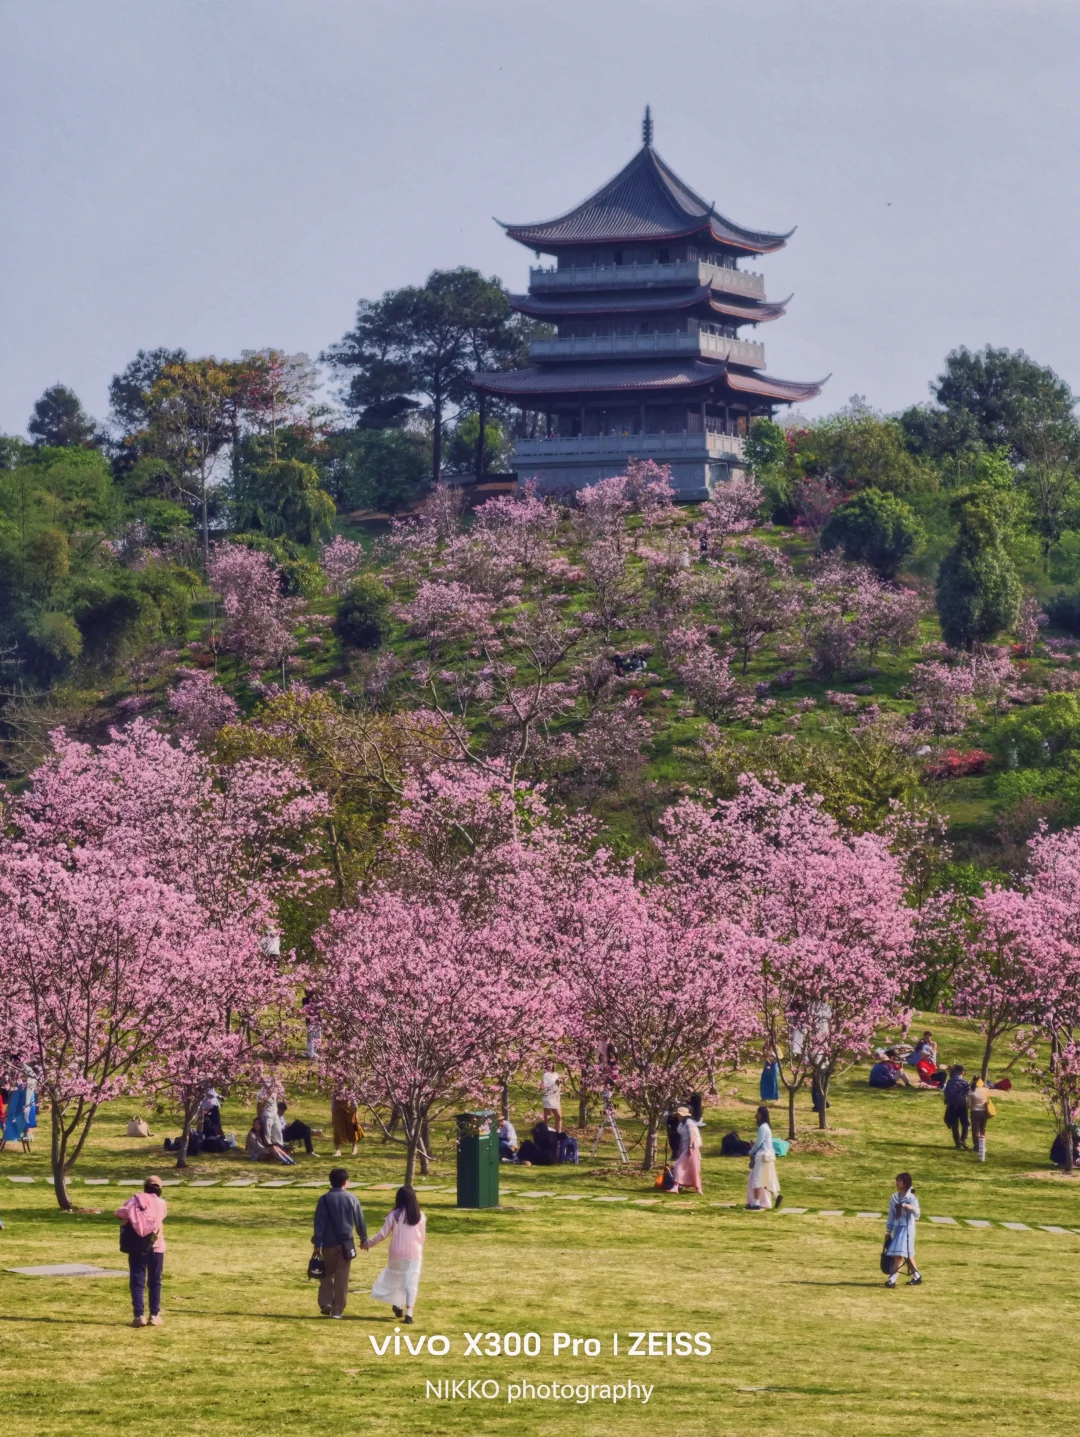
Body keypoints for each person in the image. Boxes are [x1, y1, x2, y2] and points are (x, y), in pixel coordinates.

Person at [312, 1168, 368, 1318]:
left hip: (328, 1243)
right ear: (345, 1182)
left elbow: (319, 1223)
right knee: (342, 1278)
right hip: (345, 1244)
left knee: (326, 1274)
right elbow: (360, 1221)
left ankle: (326, 1302)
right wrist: (363, 1238)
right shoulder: (352, 1198)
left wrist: (317, 1243)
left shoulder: (324, 1199)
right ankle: (337, 1310)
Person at [366, 1186, 427, 1324]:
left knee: (398, 1279)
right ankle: (409, 1313)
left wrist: (369, 1243)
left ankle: (398, 1305)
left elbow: (382, 1234)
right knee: (411, 1283)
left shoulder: (394, 1215)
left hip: (396, 1252)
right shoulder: (420, 1216)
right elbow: (422, 1238)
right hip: (414, 1252)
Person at [116, 1175, 168, 1327]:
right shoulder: (161, 1203)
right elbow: (161, 1218)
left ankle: (139, 1316)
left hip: (137, 1245)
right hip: (156, 1245)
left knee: (137, 1282)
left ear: (145, 1186)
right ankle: (154, 1315)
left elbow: (121, 1214)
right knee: (155, 1282)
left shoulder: (133, 1200)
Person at [884, 1171, 922, 1287]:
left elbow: (917, 1214)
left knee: (899, 1255)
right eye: (897, 1180)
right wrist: (888, 1230)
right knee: (907, 1255)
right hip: (898, 1228)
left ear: (905, 1183)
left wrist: (911, 1207)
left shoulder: (911, 1197)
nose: (897, 1183)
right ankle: (917, 1276)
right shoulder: (894, 1198)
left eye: (899, 1181)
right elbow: (891, 1214)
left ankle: (893, 1279)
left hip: (908, 1229)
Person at [747, 1105, 782, 1210]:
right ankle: (776, 1195)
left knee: (756, 1179)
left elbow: (759, 1143)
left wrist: (751, 1151)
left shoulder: (763, 1128)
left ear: (761, 1115)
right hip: (767, 1155)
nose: (756, 1115)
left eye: (757, 1113)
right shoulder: (766, 1127)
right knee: (765, 1179)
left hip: (762, 1156)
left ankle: (756, 1203)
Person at [670, 1105, 703, 1194]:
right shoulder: (682, 1123)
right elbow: (682, 1137)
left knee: (680, 1165)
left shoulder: (689, 1122)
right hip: (685, 1146)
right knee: (690, 1166)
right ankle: (696, 1188)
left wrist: (690, 1147)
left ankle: (676, 1186)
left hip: (692, 1146)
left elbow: (691, 1135)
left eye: (679, 1115)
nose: (678, 1116)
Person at [967, 1076, 995, 1162]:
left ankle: (976, 1146)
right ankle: (982, 1145)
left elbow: (968, 1105)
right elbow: (988, 1100)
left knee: (975, 1130)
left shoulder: (971, 1091)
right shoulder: (986, 1090)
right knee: (983, 1129)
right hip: (984, 1113)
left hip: (975, 1112)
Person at [942, 1065, 970, 1149]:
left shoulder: (950, 1081)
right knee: (965, 1123)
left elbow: (946, 1091)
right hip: (961, 1103)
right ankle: (963, 1139)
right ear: (961, 1072)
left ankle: (957, 1142)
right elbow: (968, 1092)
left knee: (954, 1123)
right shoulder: (964, 1082)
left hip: (952, 1103)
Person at [540, 1060, 562, 1134]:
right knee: (547, 1117)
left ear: (553, 1064)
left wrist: (561, 1082)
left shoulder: (556, 1074)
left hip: (556, 1097)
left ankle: (558, 1134)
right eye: (547, 1063)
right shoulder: (545, 1075)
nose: (548, 1064)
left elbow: (559, 1084)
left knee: (559, 1117)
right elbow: (546, 1086)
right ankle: (545, 1134)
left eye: (550, 1063)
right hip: (548, 1097)